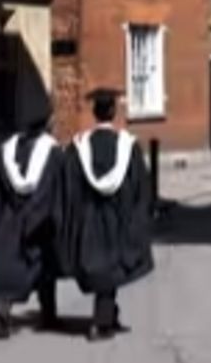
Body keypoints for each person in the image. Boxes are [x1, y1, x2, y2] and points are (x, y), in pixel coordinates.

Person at [61, 88, 155, 341]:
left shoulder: (78, 148)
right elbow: (140, 187)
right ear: (113, 112)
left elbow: (69, 188)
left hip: (89, 219)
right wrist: (141, 215)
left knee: (100, 267)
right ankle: (100, 323)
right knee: (111, 267)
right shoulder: (128, 147)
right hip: (118, 219)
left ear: (93, 113)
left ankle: (108, 316)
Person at [0, 106, 64, 340]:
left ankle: (0, 312)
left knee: (7, 264)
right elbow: (60, 191)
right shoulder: (54, 154)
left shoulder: (5, 151)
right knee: (44, 265)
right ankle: (49, 313)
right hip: (38, 221)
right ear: (48, 124)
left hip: (7, 221)